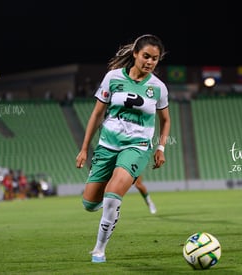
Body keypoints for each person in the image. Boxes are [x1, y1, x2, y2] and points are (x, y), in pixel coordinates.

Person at [75, 34, 170, 263]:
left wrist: (161, 147)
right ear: (135, 54)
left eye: (155, 59)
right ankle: (108, 208)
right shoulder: (113, 78)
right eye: (146, 56)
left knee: (112, 195)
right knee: (89, 204)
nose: (150, 62)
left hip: (137, 147)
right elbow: (97, 114)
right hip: (107, 145)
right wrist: (84, 148)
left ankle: (99, 249)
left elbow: (165, 120)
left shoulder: (158, 88)